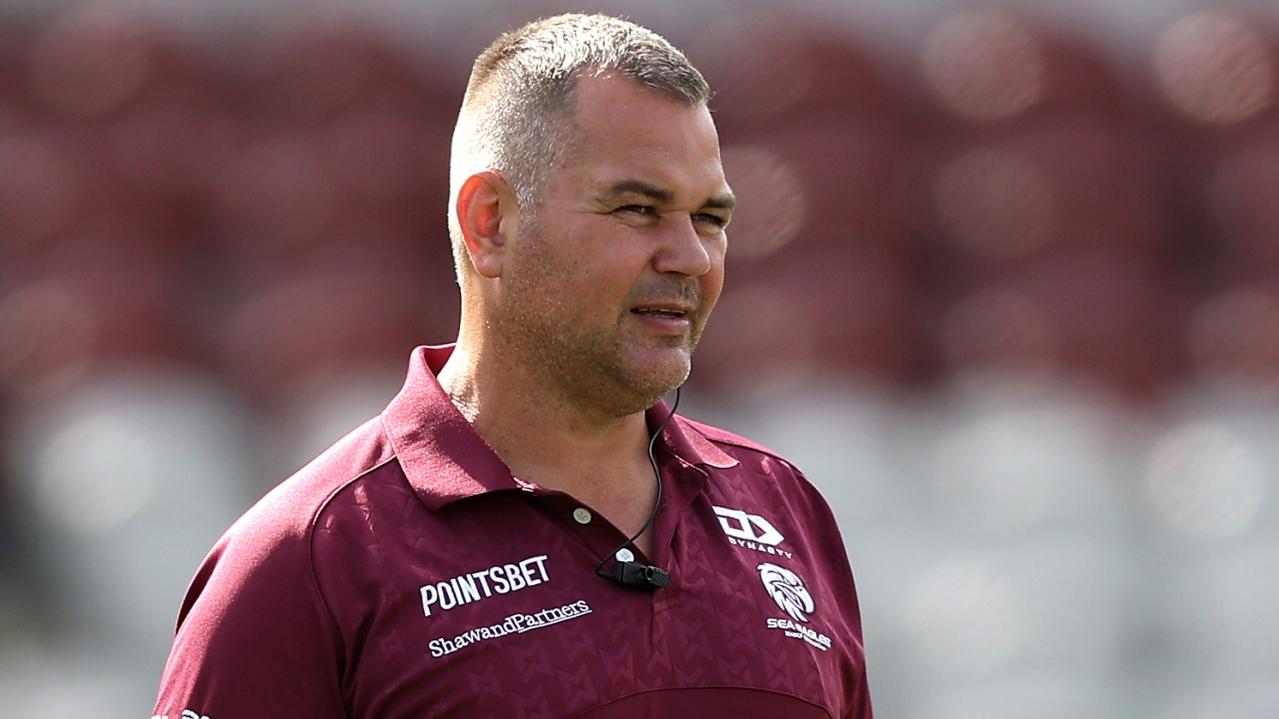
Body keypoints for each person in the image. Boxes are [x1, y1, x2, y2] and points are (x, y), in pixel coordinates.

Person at [153, 13, 871, 718]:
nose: (690, 257)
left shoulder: (784, 507)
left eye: (710, 218)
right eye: (637, 208)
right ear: (489, 221)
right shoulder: (310, 557)